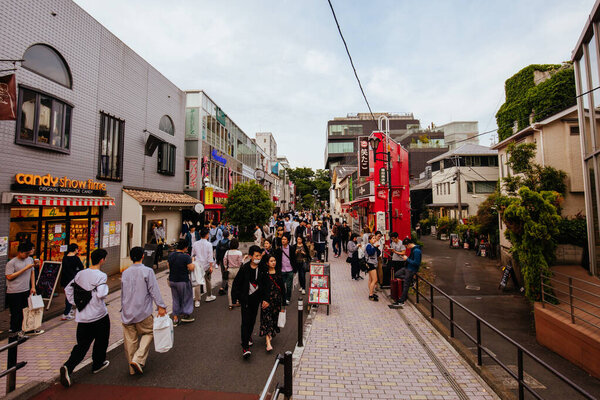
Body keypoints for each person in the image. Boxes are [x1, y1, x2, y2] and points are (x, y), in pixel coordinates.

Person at [60, 249, 110, 387]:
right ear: (102, 260)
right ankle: (97, 364)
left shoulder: (80, 274)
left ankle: (68, 366)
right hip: (99, 315)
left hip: (82, 317)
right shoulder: (101, 275)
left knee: (82, 345)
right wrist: (104, 289)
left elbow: (68, 289)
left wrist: (74, 302)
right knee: (101, 340)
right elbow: (101, 294)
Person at [120, 246, 167, 375]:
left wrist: (122, 308)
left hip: (126, 311)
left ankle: (132, 368)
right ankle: (138, 358)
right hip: (142, 311)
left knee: (130, 340)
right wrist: (161, 306)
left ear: (130, 258)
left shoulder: (125, 272)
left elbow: (123, 293)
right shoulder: (147, 271)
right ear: (142, 256)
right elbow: (154, 290)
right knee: (150, 332)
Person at [231, 245, 265, 358]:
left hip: (256, 300)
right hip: (245, 299)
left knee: (252, 320)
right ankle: (245, 347)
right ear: (250, 256)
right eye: (256, 256)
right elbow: (236, 283)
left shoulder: (262, 268)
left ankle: (248, 336)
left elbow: (266, 284)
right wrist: (235, 298)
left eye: (260, 255)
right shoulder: (244, 268)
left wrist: (265, 299)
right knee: (245, 322)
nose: (258, 258)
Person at [5, 243, 42, 335]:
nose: (27, 255)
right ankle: (15, 332)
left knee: (26, 312)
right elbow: (9, 277)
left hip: (26, 289)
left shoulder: (30, 259)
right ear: (20, 252)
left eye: (28, 253)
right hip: (14, 291)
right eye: (25, 253)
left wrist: (33, 286)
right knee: (16, 313)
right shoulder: (11, 263)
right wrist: (25, 268)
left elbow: (32, 273)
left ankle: (26, 329)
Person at [260, 255, 286, 352]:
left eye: (274, 260)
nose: (273, 262)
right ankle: (268, 342)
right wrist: (263, 300)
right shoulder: (264, 274)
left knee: (274, 319)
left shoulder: (278, 273)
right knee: (266, 319)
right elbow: (261, 289)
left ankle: (270, 333)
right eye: (271, 261)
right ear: (267, 263)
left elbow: (282, 288)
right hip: (267, 301)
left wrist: (283, 303)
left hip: (277, 301)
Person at [168, 239, 195, 326]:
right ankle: (185, 315)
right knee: (186, 297)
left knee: (175, 299)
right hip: (182, 280)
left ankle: (175, 319)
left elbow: (169, 266)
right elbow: (191, 268)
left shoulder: (171, 255)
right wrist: (193, 262)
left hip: (172, 280)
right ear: (185, 247)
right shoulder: (186, 257)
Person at [390, 240, 422, 308]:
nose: (406, 248)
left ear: (409, 244)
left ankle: (402, 301)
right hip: (407, 268)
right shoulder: (413, 249)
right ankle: (411, 280)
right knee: (396, 274)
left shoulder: (416, 251)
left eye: (406, 246)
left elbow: (417, 263)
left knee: (405, 286)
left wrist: (407, 259)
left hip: (411, 269)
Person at [192, 228, 216, 303]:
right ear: (207, 235)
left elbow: (192, 255)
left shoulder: (195, 244)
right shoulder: (209, 244)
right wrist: (211, 266)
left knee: (197, 283)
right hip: (206, 265)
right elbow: (210, 257)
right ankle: (209, 296)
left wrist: (193, 263)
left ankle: (197, 300)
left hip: (198, 265)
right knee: (208, 280)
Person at [60, 243, 84, 321]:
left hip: (65, 279)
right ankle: (66, 314)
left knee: (67, 295)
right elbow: (81, 267)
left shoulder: (64, 257)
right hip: (72, 279)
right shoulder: (75, 258)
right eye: (77, 249)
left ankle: (69, 310)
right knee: (69, 296)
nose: (78, 250)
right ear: (75, 249)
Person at [223, 239, 243, 309]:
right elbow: (240, 262)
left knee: (230, 287)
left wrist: (225, 267)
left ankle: (230, 304)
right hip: (237, 270)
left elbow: (224, 260)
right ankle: (237, 301)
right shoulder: (239, 253)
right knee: (238, 286)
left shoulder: (227, 252)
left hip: (230, 270)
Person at [276, 233, 294, 305]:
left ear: (288, 240)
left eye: (285, 239)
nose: (283, 241)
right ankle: (283, 298)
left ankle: (287, 298)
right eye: (282, 239)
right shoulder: (279, 249)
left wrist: (294, 269)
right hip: (282, 270)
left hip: (290, 269)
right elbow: (277, 259)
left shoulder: (291, 248)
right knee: (282, 286)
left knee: (289, 286)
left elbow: (293, 259)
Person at [365, 235, 381, 301]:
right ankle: (371, 294)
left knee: (371, 279)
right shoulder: (368, 245)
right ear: (369, 240)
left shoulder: (372, 246)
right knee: (375, 279)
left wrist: (377, 248)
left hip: (372, 263)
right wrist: (375, 247)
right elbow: (370, 253)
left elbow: (378, 254)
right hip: (370, 263)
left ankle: (371, 292)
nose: (374, 239)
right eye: (373, 238)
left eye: (375, 238)